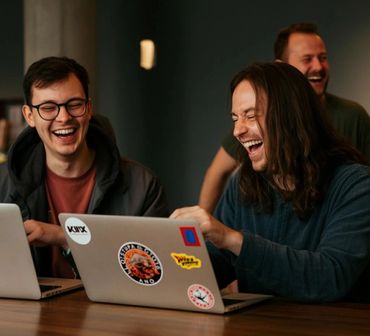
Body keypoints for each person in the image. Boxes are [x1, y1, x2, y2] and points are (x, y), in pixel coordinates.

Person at [171, 62, 370, 303]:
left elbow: (330, 278)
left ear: (290, 116)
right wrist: (169, 263)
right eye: (235, 118)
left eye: (250, 116)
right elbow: (215, 266)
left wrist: (233, 239)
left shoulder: (356, 185)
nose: (237, 130)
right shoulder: (242, 186)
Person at [0, 56, 169, 279]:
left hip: (115, 313)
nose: (64, 117)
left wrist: (64, 236)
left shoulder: (142, 185)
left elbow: (155, 274)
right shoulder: (5, 184)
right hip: (27, 314)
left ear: (88, 109)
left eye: (74, 105)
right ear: (29, 116)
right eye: (48, 108)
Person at [199, 22, 370, 213]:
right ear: (280, 67)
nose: (318, 67)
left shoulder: (352, 119)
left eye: (323, 58)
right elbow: (217, 173)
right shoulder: (244, 185)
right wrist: (204, 229)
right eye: (307, 59)